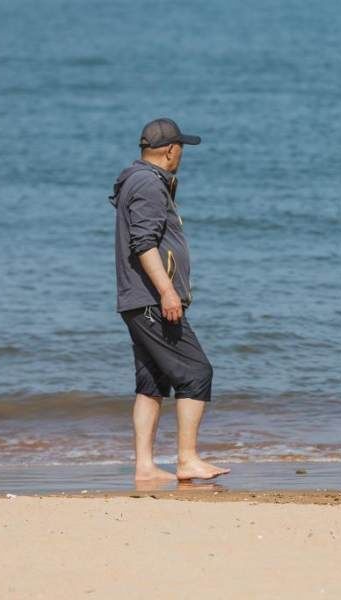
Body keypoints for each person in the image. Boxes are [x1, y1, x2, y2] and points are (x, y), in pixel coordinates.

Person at [109, 118, 229, 482]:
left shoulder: (137, 178)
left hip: (138, 299)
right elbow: (144, 244)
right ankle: (186, 459)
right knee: (196, 373)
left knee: (152, 383)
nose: (181, 155)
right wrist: (166, 290)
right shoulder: (148, 183)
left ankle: (144, 467)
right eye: (181, 149)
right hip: (151, 300)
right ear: (170, 150)